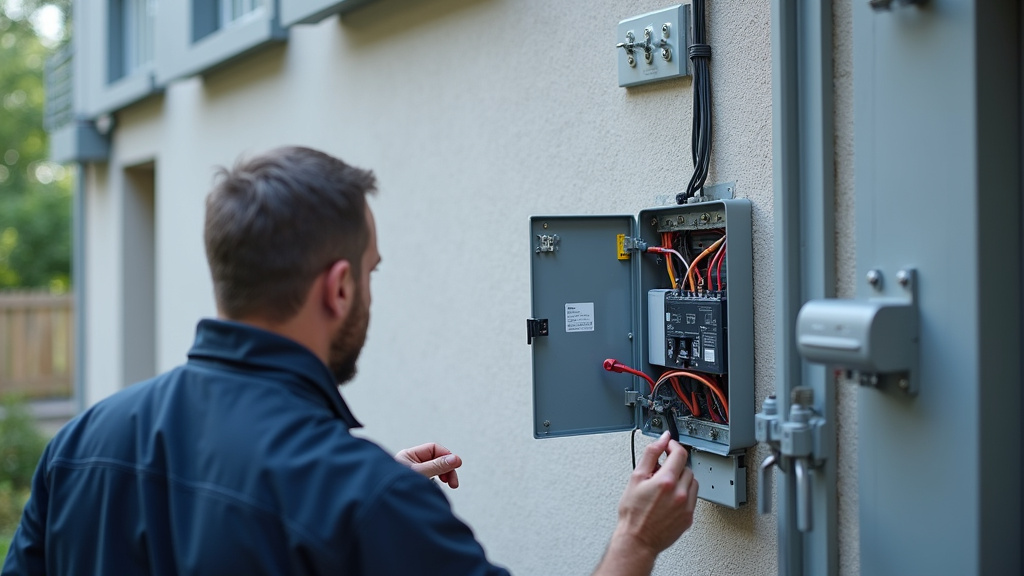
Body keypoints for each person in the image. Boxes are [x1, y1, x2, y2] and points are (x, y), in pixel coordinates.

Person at [1, 146, 698, 576]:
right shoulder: (364, 502)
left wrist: (347, 502)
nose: (371, 287)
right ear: (338, 287)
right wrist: (637, 538)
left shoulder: (81, 447)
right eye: (372, 270)